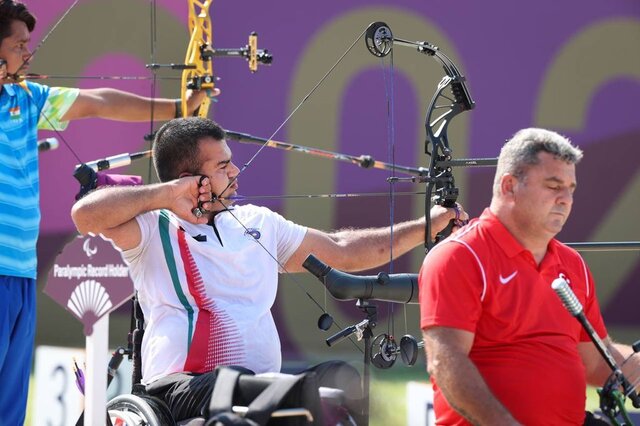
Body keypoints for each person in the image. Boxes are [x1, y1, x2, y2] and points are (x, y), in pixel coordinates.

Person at [71, 117, 468, 422]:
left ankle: (289, 397)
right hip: (179, 390)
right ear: (192, 178)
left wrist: (428, 226)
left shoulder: (257, 222)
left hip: (258, 387)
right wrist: (166, 195)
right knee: (236, 385)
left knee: (337, 378)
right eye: (224, 166)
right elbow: (84, 214)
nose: (236, 172)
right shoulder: (153, 227)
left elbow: (342, 249)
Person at [0, 1, 208, 423]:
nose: (28, 54)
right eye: (19, 45)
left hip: (19, 273)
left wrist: (177, 109)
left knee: (9, 406)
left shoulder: (25, 97)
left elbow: (97, 101)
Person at [418, 128, 640, 425]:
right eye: (553, 185)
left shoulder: (572, 264)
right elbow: (446, 362)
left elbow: (597, 360)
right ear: (509, 186)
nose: (566, 199)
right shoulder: (459, 257)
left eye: (571, 188)